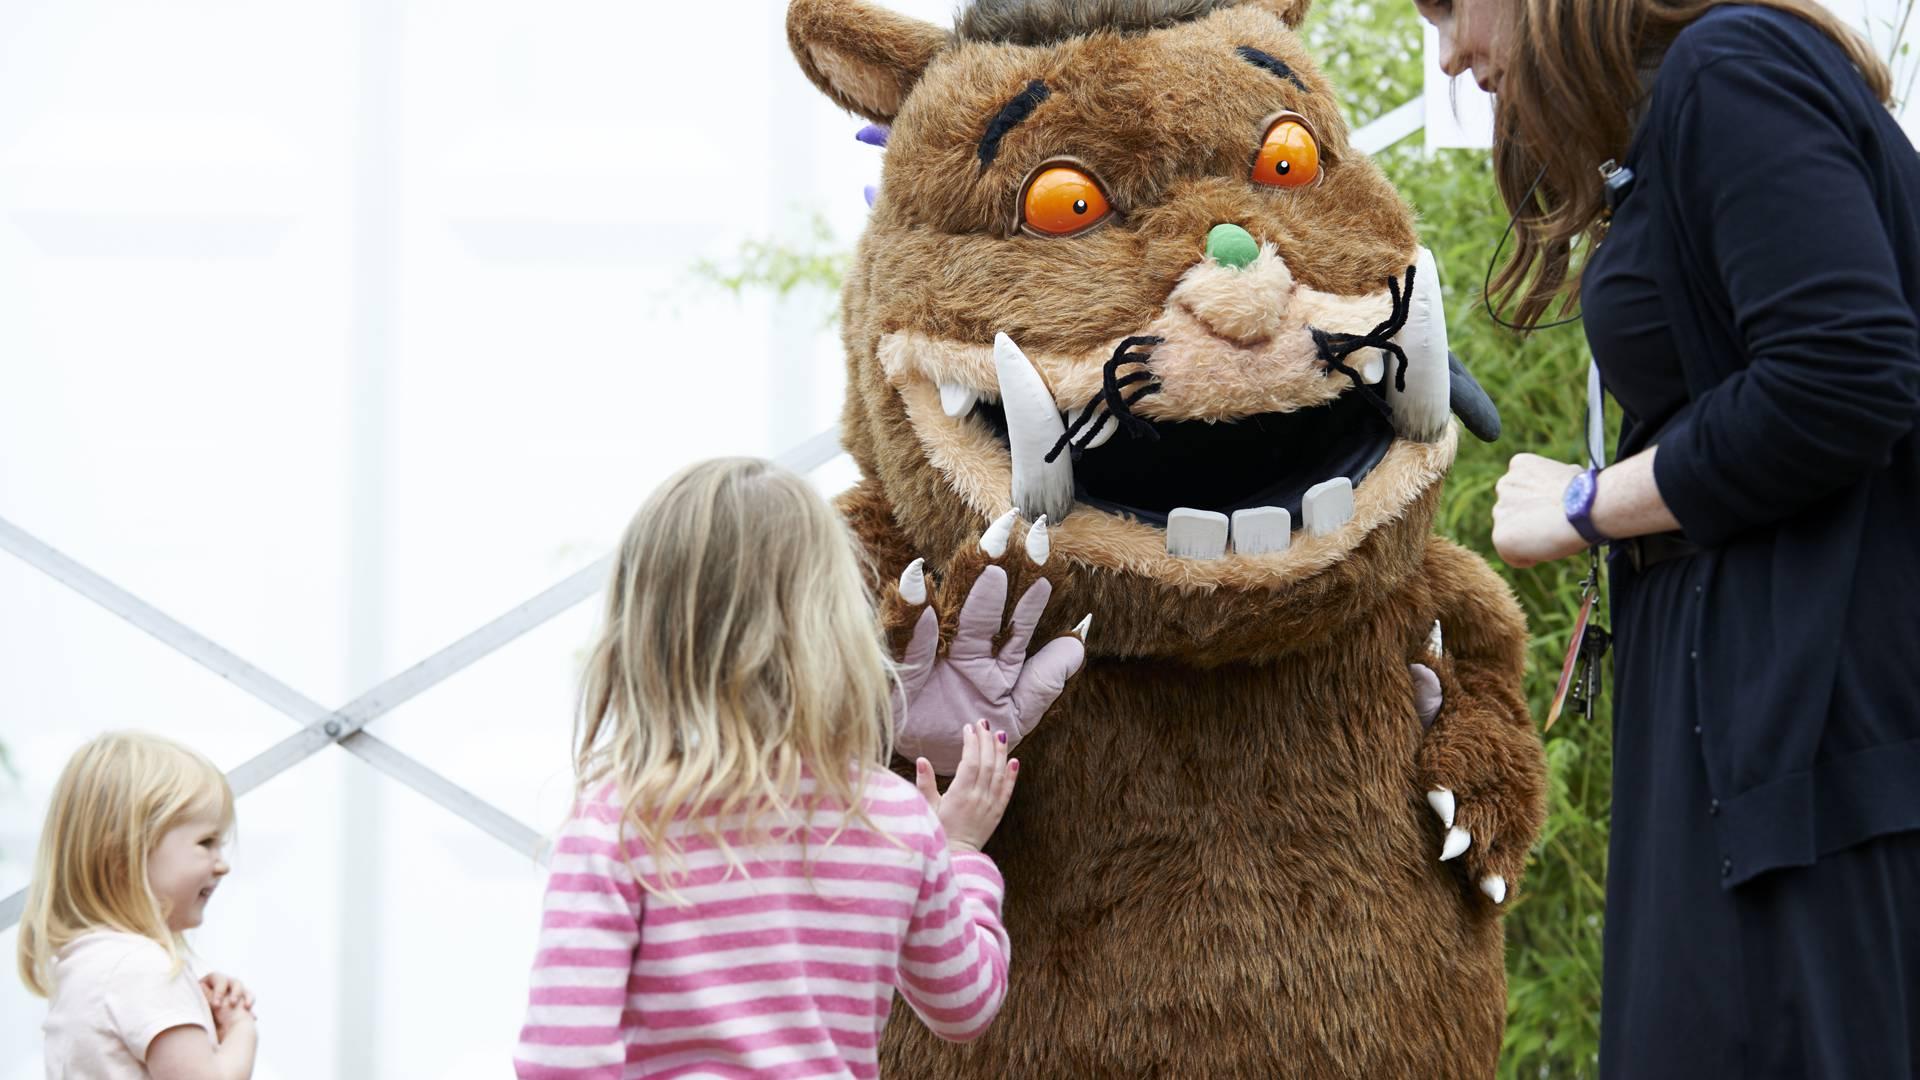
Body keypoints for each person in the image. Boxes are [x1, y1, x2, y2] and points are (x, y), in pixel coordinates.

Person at [1416, 0, 1920, 1072]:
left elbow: (1847, 373)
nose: (1450, 54)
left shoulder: (1729, 69)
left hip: (1811, 750)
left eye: (1449, 7)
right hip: (1745, 744)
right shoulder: (1681, 107)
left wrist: (1592, 506)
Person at [512, 457, 1028, 1078]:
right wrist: (963, 850)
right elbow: (965, 1006)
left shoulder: (620, 825)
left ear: (643, 631)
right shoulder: (898, 822)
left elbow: (559, 1060)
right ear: (838, 622)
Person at [17, 731, 259, 1080]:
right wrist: (240, 1026)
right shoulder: (145, 971)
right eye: (206, 842)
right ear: (123, 856)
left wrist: (196, 1005)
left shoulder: (87, 963)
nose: (222, 864)